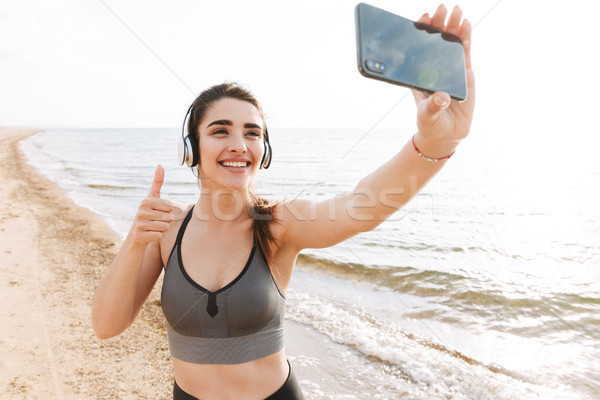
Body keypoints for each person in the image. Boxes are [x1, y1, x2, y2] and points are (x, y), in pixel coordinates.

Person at [91, 4, 475, 399]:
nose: (239, 145)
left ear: (265, 150)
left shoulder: (279, 224)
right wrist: (134, 242)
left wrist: (436, 142)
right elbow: (106, 325)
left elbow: (363, 206)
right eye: (220, 131)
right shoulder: (165, 230)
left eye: (252, 133)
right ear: (191, 148)